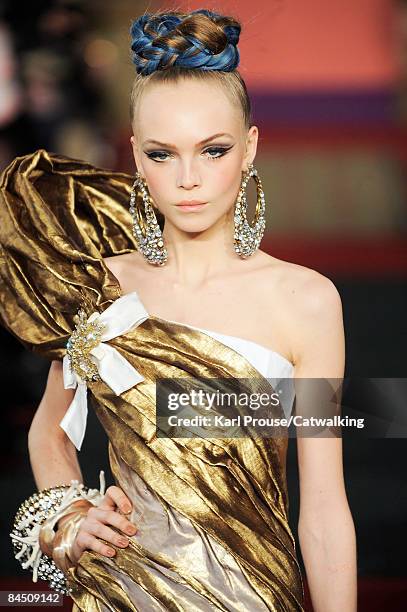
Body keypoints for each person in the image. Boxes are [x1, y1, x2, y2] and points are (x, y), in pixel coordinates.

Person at [0, 8, 357, 612]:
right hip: (120, 591)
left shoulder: (308, 302)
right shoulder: (100, 285)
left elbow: (324, 508)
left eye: (212, 150)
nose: (189, 178)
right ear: (136, 156)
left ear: (250, 148)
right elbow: (48, 428)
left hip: (253, 593)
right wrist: (69, 514)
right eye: (164, 155)